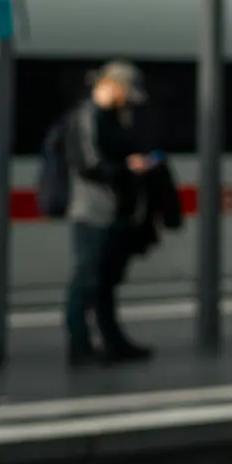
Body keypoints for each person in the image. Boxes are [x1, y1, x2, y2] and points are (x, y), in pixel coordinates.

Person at [57, 60, 160, 364]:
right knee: (86, 280)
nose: (129, 101)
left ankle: (113, 341)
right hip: (92, 212)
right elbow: (88, 164)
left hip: (115, 212)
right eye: (127, 93)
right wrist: (128, 167)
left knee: (105, 281)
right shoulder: (87, 118)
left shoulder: (114, 118)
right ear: (113, 85)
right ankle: (79, 345)